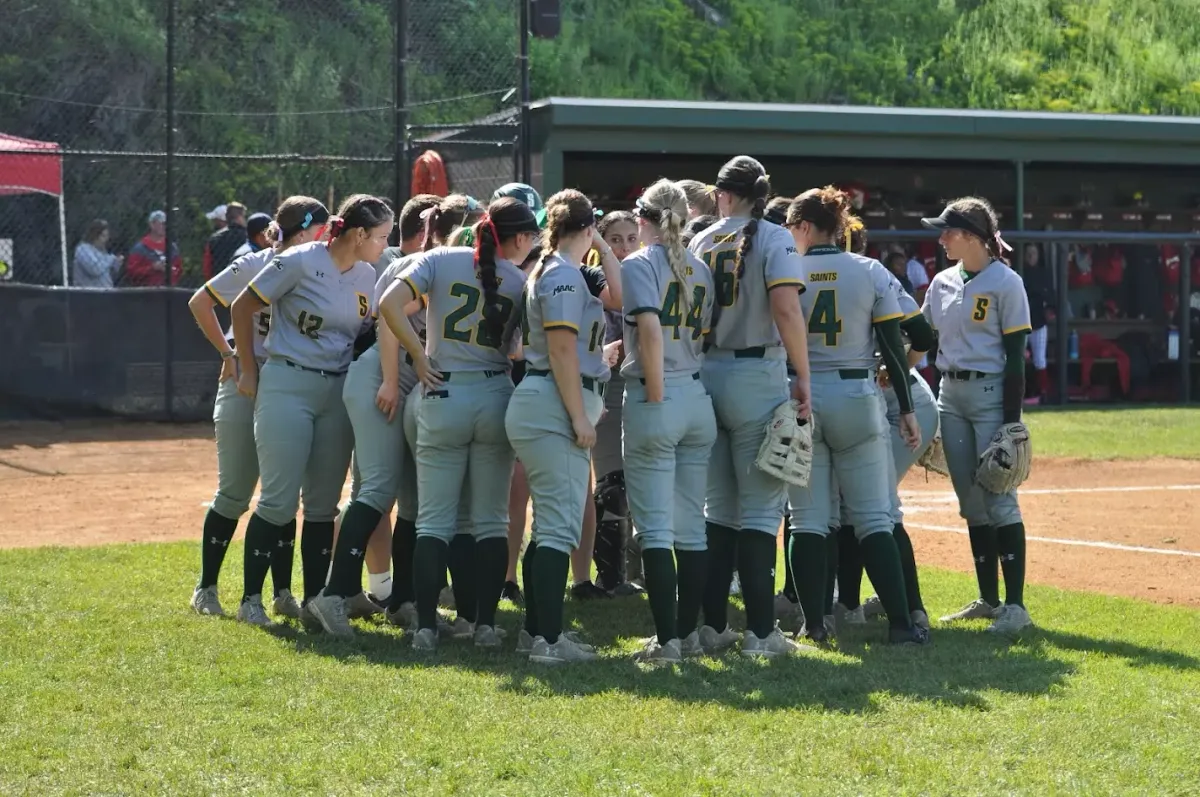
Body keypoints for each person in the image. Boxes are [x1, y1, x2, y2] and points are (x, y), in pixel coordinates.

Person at [377, 197, 539, 651]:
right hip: (494, 395)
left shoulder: (440, 258)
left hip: (442, 392)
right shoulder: (520, 280)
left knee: (432, 521)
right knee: (490, 521)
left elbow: (388, 304)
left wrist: (417, 354)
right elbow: (521, 350)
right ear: (519, 239)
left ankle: (426, 627)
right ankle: (483, 625)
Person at [230, 194, 390, 627]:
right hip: (288, 381)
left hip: (337, 390)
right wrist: (247, 367)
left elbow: (366, 331)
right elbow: (242, 305)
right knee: (278, 500)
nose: (384, 245)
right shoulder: (300, 260)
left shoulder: (368, 274)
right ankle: (250, 600)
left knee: (323, 505)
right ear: (358, 234)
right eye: (380, 237)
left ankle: (317, 601)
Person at [782, 188, 929, 648]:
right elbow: (895, 345)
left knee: (807, 520)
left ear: (805, 226)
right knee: (873, 519)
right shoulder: (869, 269)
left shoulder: (784, 269)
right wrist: (907, 409)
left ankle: (815, 624)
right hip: (856, 393)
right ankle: (902, 625)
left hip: (800, 394)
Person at [687, 156, 811, 658]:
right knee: (760, 510)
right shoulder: (775, 237)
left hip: (706, 372)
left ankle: (714, 625)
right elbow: (786, 308)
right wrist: (804, 374)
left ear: (723, 194)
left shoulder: (700, 239)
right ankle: (761, 633)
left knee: (718, 510)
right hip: (756, 373)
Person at [186, 196, 330, 618]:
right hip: (247, 383)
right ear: (303, 232)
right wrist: (229, 354)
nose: (325, 238)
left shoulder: (318, 268)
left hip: (291, 382)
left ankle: (282, 593)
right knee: (235, 492)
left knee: (281, 493)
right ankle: (206, 588)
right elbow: (200, 301)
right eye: (320, 230)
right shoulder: (256, 263)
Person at [505, 189, 611, 664]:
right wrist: (578, 416)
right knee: (557, 528)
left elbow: (620, 296)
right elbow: (562, 349)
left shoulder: (556, 267)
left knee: (550, 524)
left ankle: (536, 632)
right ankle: (548, 641)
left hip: (544, 398)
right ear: (586, 228)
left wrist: (599, 244)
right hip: (552, 401)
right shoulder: (564, 272)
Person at [921, 197, 1034, 635]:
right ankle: (988, 600)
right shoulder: (942, 282)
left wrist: (1011, 422)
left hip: (990, 394)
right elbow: (922, 337)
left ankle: (1016, 607)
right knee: (971, 502)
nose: (941, 239)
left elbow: (1016, 357)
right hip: (950, 395)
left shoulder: (1007, 282)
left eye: (948, 231)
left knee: (999, 496)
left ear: (971, 236)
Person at [620, 180, 716, 663]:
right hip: (696, 394)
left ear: (645, 218)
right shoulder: (700, 266)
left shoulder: (639, 262)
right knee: (692, 528)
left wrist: (656, 394)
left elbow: (651, 333)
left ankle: (668, 641)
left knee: (656, 529)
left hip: (657, 393)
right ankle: (686, 634)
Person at [830, 216, 939, 633]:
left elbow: (923, 338)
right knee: (856, 504)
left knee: (874, 507)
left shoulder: (867, 276)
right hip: (880, 405)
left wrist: (897, 372)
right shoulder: (860, 274)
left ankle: (911, 609)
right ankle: (851, 605)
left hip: (903, 405)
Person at [585, 210, 641, 598]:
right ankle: (610, 576)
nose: (624, 247)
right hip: (605, 384)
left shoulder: (647, 273)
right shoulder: (592, 279)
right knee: (612, 482)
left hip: (641, 384)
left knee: (640, 480)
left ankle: (638, 570)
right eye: (616, 240)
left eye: (631, 238)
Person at [1023, 243, 1054, 404]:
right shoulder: (1019, 273)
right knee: (1015, 360)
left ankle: (1043, 393)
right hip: (1020, 323)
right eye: (1028, 253)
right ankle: (1015, 394)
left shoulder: (1043, 274)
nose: (1031, 256)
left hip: (1039, 322)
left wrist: (1050, 311)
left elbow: (1051, 299)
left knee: (1039, 360)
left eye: (1033, 253)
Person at [123, 210, 182, 287]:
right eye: (162, 224)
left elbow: (178, 270)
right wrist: (153, 268)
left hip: (168, 290)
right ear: (152, 225)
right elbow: (131, 272)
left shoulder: (172, 247)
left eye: (166, 224)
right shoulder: (140, 248)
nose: (165, 227)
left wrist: (170, 270)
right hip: (147, 290)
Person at [203, 202, 248, 280]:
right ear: (239, 217)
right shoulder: (249, 237)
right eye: (244, 216)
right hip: (243, 280)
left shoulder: (215, 238)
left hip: (219, 280)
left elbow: (207, 267)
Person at [73, 219, 123, 288]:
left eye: (107, 236)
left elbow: (107, 275)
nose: (105, 240)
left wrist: (116, 265)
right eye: (103, 236)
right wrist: (111, 259)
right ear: (94, 235)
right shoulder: (83, 249)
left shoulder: (103, 252)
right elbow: (94, 269)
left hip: (106, 291)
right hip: (88, 292)